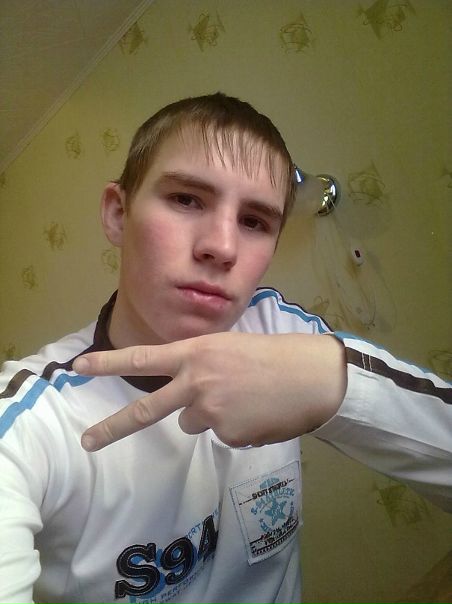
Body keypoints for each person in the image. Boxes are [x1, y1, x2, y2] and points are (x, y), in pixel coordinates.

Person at [0, 93, 450, 604]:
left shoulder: (277, 327)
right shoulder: (33, 423)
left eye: (254, 222)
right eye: (186, 199)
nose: (222, 247)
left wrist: (338, 386)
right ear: (118, 214)